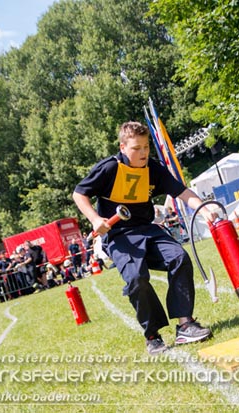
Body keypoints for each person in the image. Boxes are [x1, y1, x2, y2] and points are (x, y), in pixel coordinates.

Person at [73, 121, 218, 355]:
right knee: (136, 279)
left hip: (148, 229)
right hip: (119, 236)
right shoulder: (109, 168)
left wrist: (202, 208)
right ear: (122, 147)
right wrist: (94, 219)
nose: (143, 153)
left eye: (146, 147)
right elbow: (79, 193)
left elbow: (181, 192)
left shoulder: (154, 169)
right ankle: (152, 335)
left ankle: (185, 325)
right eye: (136, 148)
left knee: (179, 257)